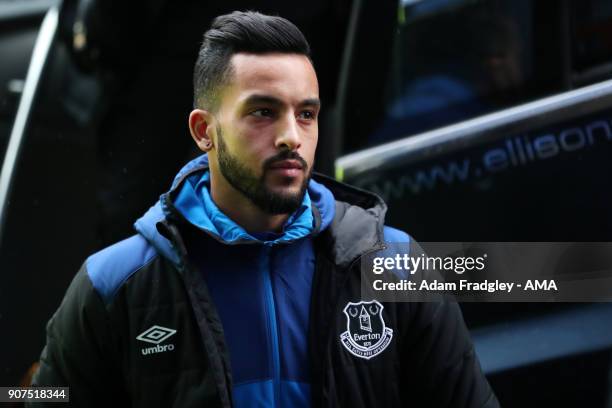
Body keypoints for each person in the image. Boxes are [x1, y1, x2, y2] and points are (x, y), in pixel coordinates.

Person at [30, 11, 499, 407]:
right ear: (203, 130)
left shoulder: (399, 267)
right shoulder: (114, 283)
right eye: (262, 112)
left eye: (306, 114)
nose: (292, 136)